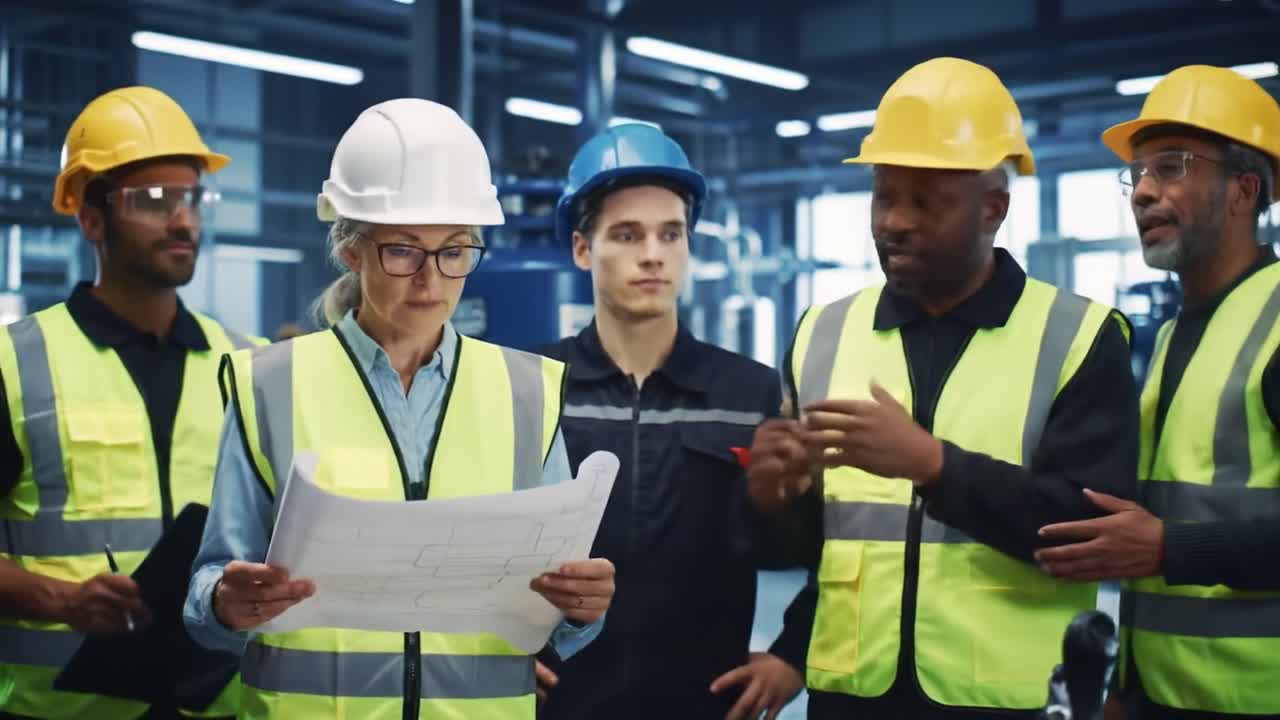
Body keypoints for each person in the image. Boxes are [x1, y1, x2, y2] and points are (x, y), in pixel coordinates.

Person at [182, 98, 615, 719]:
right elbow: (207, 595)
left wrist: (580, 606)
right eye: (404, 251)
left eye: (455, 251)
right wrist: (225, 601)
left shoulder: (527, 393)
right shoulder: (270, 386)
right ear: (352, 250)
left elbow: (554, 615)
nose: (431, 281)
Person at [745, 57, 1139, 718]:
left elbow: (1094, 535)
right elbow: (811, 550)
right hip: (851, 697)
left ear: (993, 209)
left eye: (926, 201)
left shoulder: (1078, 338)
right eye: (883, 195)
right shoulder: (821, 333)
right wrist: (772, 501)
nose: (895, 221)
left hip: (1006, 701)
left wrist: (934, 466)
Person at [0, 86, 254, 719]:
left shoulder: (245, 368)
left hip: (217, 707)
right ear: (91, 218)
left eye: (192, 198)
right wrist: (60, 600)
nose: (184, 221)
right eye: (155, 201)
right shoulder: (14, 364)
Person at [1036, 64, 1280, 719]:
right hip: (1165, 695)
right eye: (1136, 174)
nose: (1142, 192)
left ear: (1243, 191)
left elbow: (1159, 540)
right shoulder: (1176, 333)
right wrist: (1127, 688)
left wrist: (1171, 549)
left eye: (1170, 167)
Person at [538, 123, 802, 720]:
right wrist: (491, 653)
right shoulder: (531, 384)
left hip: (703, 703)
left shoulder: (751, 391)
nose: (653, 254)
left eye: (671, 234)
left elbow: (824, 542)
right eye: (627, 235)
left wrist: (795, 653)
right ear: (582, 248)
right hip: (561, 704)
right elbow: (479, 539)